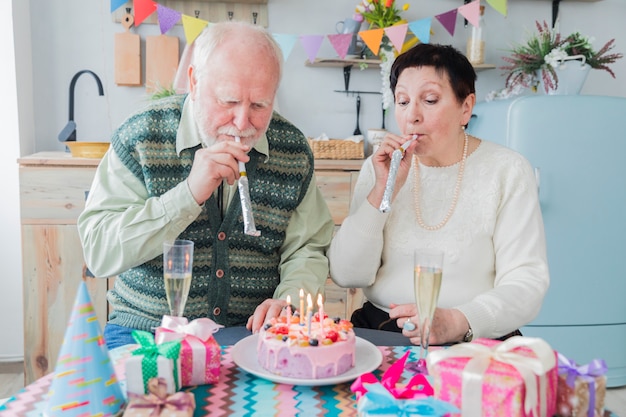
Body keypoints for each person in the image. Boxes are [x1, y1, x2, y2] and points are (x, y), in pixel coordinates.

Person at [78, 21, 335, 349]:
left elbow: (307, 248)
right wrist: (187, 195)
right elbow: (99, 251)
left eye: (259, 105)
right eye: (228, 101)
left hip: (252, 337)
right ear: (194, 82)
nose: (243, 123)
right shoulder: (141, 136)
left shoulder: (292, 150)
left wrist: (289, 303)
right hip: (144, 333)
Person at [327, 43, 549, 346]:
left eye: (430, 100)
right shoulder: (379, 167)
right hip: (383, 331)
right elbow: (346, 274)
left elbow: (527, 282)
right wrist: (381, 190)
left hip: (475, 337)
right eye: (402, 102)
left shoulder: (507, 170)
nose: (412, 116)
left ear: (466, 107)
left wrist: (462, 320)